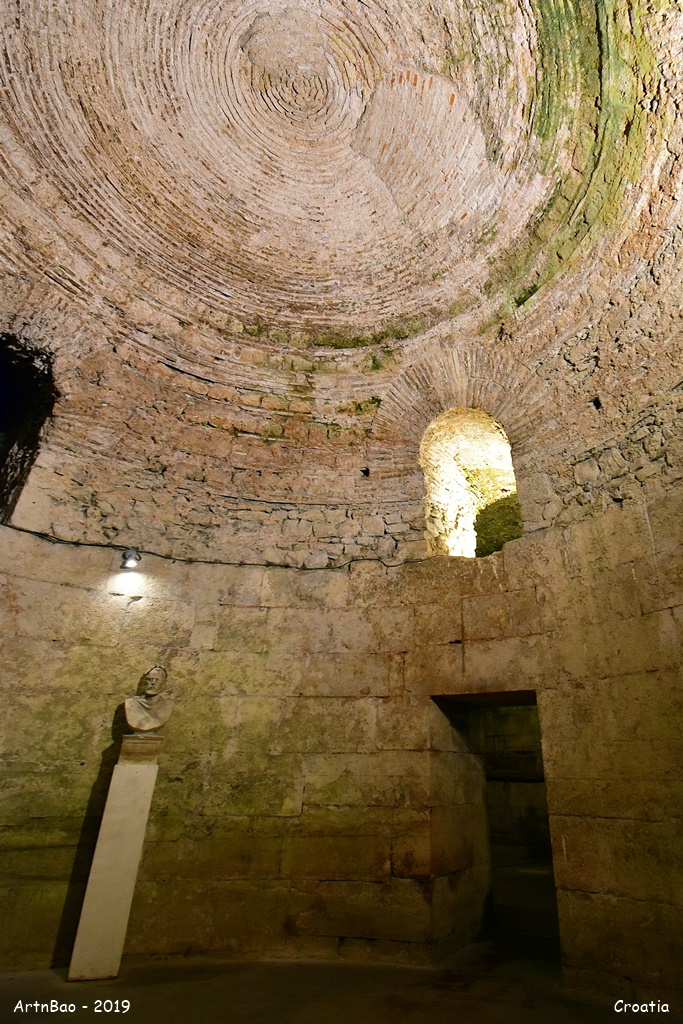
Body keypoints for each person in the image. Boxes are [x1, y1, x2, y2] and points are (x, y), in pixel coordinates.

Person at [124, 666, 173, 734]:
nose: (152, 683)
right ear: (145, 682)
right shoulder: (131, 703)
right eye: (150, 679)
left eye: (157, 680)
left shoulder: (167, 705)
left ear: (164, 684)